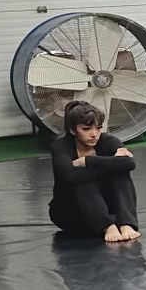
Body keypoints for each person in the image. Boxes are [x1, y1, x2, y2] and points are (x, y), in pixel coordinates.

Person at [48, 100, 140, 242]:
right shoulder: (61, 147)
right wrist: (111, 163)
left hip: (107, 208)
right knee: (83, 178)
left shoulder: (108, 141)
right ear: (73, 130)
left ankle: (126, 223)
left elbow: (129, 163)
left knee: (121, 173)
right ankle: (107, 226)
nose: (94, 134)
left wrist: (88, 161)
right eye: (86, 129)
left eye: (98, 128)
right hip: (71, 213)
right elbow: (69, 176)